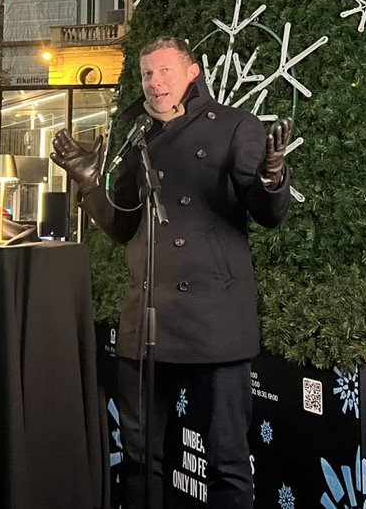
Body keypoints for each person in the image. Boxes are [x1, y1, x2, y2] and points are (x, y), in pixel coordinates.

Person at [52, 35, 293, 509]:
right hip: (149, 321)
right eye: (147, 74)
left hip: (215, 322)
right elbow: (121, 226)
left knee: (227, 461)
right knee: (139, 460)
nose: (155, 82)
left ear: (192, 72)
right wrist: (88, 185)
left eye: (164, 71)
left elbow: (268, 213)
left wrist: (271, 178)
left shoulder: (235, 127)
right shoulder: (137, 136)